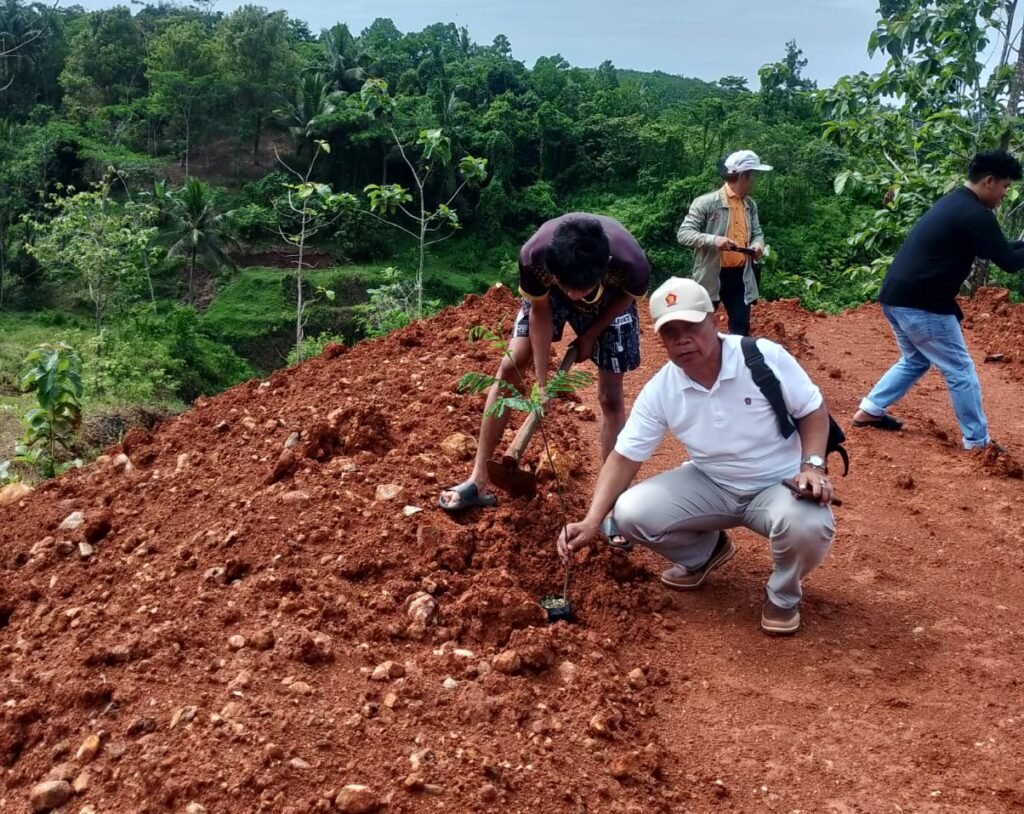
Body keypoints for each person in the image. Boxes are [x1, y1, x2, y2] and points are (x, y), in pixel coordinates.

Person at [557, 277, 835, 635]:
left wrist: (812, 465)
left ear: (714, 321)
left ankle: (783, 596)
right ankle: (705, 553)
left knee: (809, 522)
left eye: (690, 326)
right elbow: (624, 457)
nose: (681, 339)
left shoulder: (762, 357)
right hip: (712, 482)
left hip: (778, 484)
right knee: (629, 513)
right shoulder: (664, 388)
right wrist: (593, 520)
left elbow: (813, 410)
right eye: (670, 332)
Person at [439, 214, 650, 518]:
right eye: (569, 288)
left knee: (611, 398)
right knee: (510, 367)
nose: (575, 296)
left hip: (611, 302)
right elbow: (539, 311)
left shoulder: (631, 265)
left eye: (581, 289)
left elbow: (626, 301)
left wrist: (590, 334)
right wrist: (541, 383)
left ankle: (611, 506)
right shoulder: (534, 258)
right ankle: (477, 480)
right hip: (550, 298)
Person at [852, 149, 1024, 450]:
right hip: (922, 303)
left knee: (916, 360)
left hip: (896, 296)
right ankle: (978, 441)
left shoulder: (957, 203)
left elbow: (993, 249)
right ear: (989, 181)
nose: (1004, 194)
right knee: (960, 369)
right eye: (1005, 187)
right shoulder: (975, 214)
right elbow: (1008, 261)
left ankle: (870, 410)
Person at [677, 150, 771, 336]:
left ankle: (735, 363)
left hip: (740, 275)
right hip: (711, 274)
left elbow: (757, 233)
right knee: (700, 325)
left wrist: (758, 245)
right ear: (743, 176)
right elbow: (684, 234)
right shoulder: (706, 203)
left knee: (740, 327)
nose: (755, 180)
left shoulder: (750, 205)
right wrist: (714, 240)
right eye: (753, 175)